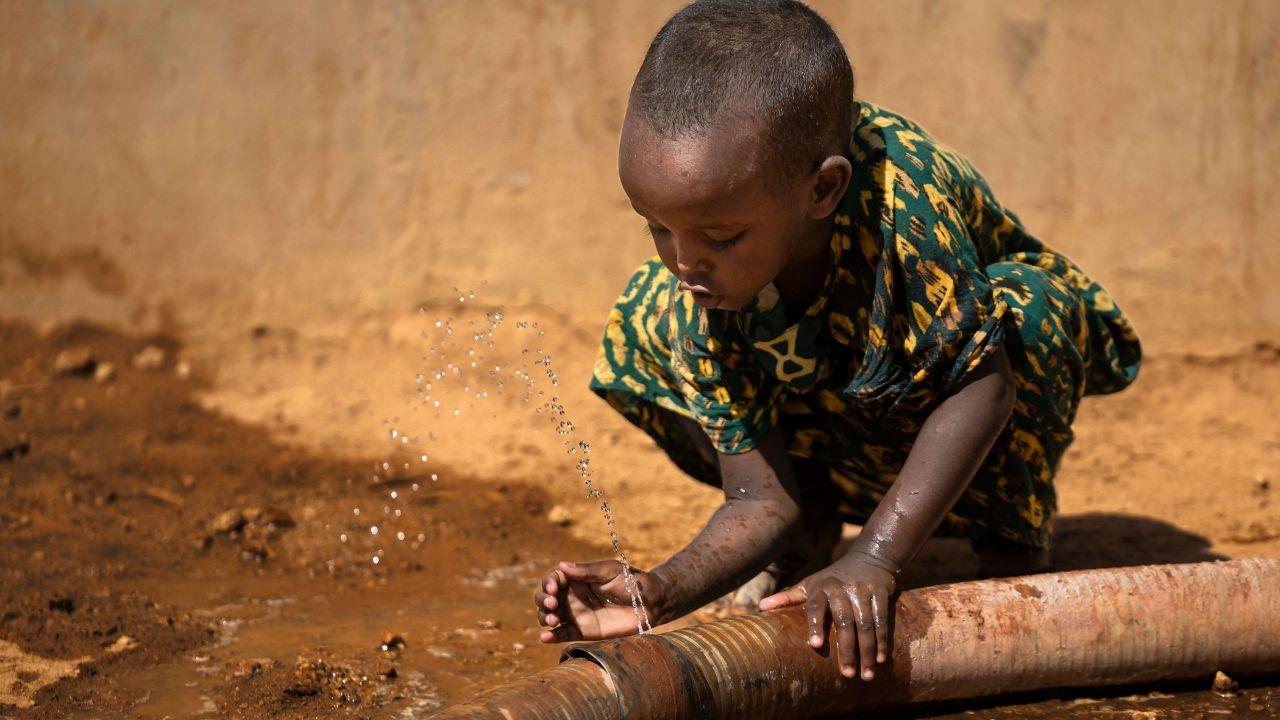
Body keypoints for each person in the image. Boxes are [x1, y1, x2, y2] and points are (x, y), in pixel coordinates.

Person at [532, 0, 1141, 683]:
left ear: (822, 189)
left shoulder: (904, 213)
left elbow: (984, 384)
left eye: (720, 237)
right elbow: (757, 498)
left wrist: (877, 556)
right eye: (657, 227)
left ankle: (1007, 547)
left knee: (1031, 313)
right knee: (648, 311)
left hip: (954, 409)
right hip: (851, 407)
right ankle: (814, 521)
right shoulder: (705, 285)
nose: (684, 260)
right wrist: (659, 592)